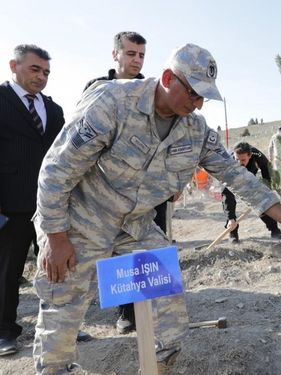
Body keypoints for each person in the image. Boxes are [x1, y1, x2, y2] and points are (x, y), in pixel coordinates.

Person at [32, 43, 281, 374]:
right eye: (194, 94)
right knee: (63, 306)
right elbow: (56, 170)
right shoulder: (112, 102)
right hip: (79, 219)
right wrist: (55, 235)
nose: (197, 104)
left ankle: (159, 363)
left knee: (168, 298)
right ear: (168, 77)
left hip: (136, 225)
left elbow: (240, 179)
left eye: (202, 98)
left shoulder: (195, 131)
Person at [83, 31, 150, 335]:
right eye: (130, 53)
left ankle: (145, 312)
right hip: (105, 190)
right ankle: (126, 313)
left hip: (145, 189)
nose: (136, 60)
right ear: (115, 55)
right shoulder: (97, 88)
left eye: (141, 55)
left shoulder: (149, 89)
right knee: (114, 254)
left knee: (143, 250)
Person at [0, 45, 65, 358]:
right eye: (35, 69)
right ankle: (4, 331)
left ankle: (60, 325)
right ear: (14, 65)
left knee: (56, 269)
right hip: (9, 207)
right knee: (7, 272)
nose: (41, 77)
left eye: (46, 72)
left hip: (50, 207)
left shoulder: (53, 110)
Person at [222, 142, 281, 242]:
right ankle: (233, 232)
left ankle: (275, 230)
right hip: (233, 178)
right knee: (230, 205)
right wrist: (231, 218)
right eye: (237, 159)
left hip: (250, 176)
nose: (239, 163)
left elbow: (266, 167)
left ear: (250, 156)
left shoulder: (256, 154)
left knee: (260, 201)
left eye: (243, 160)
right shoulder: (228, 162)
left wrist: (267, 185)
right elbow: (226, 194)